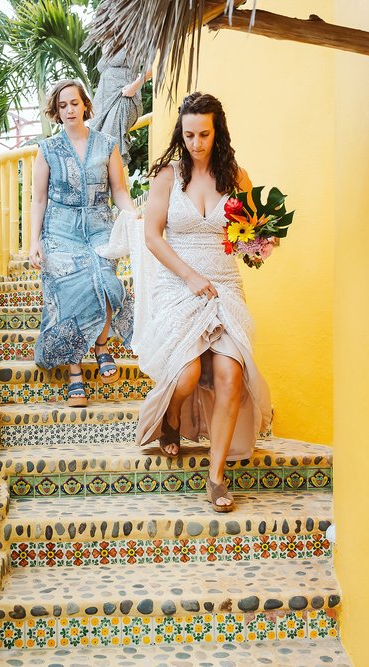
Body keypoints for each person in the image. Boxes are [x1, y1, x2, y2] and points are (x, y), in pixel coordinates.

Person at [134, 92, 273, 513]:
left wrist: (260, 243)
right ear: (181, 131)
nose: (196, 142)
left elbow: (250, 236)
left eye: (204, 134)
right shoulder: (167, 177)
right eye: (189, 134)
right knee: (187, 374)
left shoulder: (237, 177)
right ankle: (172, 419)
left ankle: (216, 477)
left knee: (231, 371)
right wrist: (190, 276)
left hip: (225, 283)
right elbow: (153, 237)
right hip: (179, 284)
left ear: (218, 132)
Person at [29, 79, 137, 407]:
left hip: (100, 225)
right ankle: (75, 372)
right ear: (56, 112)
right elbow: (38, 199)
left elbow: (119, 190)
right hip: (60, 230)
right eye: (63, 106)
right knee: (70, 292)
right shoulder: (48, 149)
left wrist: (132, 216)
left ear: (85, 105)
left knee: (104, 278)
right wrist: (34, 241)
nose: (70, 110)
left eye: (74, 103)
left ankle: (102, 346)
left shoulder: (106, 144)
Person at [88, 46, 152, 167]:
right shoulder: (108, 40)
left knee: (108, 151)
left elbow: (153, 67)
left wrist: (133, 87)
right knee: (95, 149)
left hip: (123, 96)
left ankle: (117, 186)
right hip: (102, 103)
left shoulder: (134, 36)